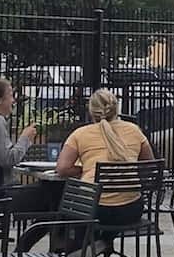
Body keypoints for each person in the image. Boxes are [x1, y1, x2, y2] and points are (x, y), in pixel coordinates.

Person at [56, 88, 153, 228]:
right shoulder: (134, 130)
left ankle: (85, 246)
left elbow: (62, 169)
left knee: (69, 207)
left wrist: (87, 170)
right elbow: (149, 165)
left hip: (96, 210)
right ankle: (105, 242)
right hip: (131, 210)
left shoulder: (80, 134)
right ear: (116, 108)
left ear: (91, 111)